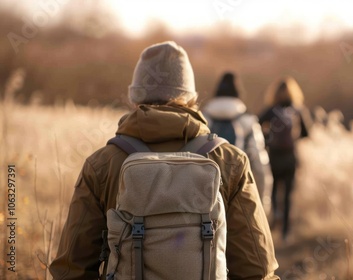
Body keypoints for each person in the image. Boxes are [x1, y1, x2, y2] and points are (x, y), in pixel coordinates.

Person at [49, 41, 279, 279]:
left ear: (135, 97)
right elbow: (257, 270)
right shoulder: (230, 161)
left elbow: (71, 270)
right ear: (191, 99)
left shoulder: (102, 165)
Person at [203, 72, 272, 209]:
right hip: (238, 190)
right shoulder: (247, 120)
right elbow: (259, 162)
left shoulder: (202, 118)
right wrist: (263, 203)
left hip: (206, 190)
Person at [259, 77, 311, 241]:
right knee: (288, 195)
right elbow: (307, 133)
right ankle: (286, 233)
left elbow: (256, 126)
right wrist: (293, 139)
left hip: (273, 157)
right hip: (290, 158)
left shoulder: (270, 110)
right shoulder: (298, 110)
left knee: (273, 190)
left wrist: (268, 138)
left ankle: (275, 216)